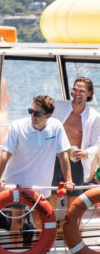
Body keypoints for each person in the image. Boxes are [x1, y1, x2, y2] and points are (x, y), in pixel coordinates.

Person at [0, 95, 73, 247]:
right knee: (17, 222)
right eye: (31, 111)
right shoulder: (17, 126)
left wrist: (68, 180)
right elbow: (5, 154)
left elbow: (63, 155)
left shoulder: (56, 127)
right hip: (17, 183)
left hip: (41, 186)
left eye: (37, 113)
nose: (32, 116)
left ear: (48, 116)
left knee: (40, 221)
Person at [50, 77, 100, 210]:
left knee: (74, 206)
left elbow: (97, 143)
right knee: (50, 199)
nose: (77, 93)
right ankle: (49, 229)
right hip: (54, 159)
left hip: (75, 161)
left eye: (82, 90)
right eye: (75, 89)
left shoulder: (94, 116)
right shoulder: (58, 107)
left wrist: (86, 153)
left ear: (89, 93)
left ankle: (70, 229)